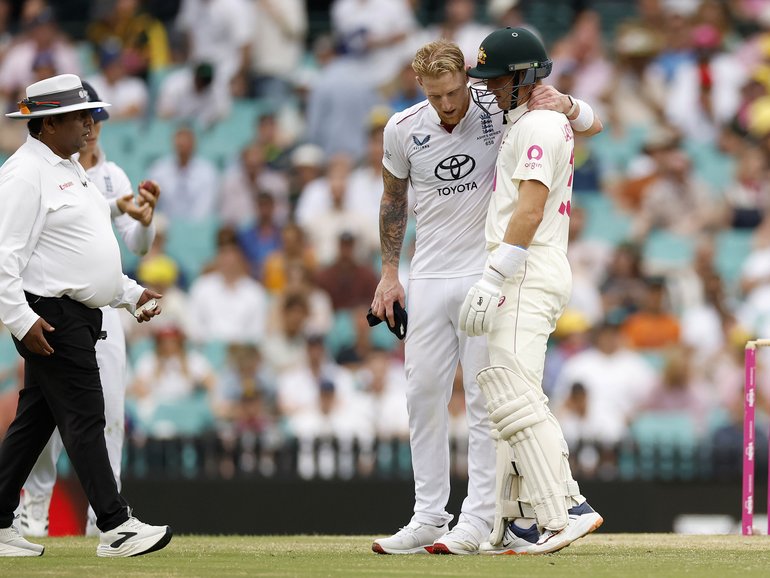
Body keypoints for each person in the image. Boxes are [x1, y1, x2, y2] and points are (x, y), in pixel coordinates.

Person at [370, 38, 602, 555]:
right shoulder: (403, 128)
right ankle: (429, 515)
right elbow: (392, 201)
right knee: (421, 394)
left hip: (488, 270)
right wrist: (390, 274)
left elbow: (588, 125)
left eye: (454, 92)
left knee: (485, 400)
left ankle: (477, 520)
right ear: (421, 88)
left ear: (466, 82)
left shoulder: (501, 108)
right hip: (428, 274)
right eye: (435, 96)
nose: (448, 105)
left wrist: (566, 101)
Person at [0, 73, 169, 557]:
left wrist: (130, 293)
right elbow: (4, 256)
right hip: (49, 314)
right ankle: (115, 526)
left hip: (75, 310)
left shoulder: (70, 168)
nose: (90, 122)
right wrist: (21, 319)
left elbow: (87, 253)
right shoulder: (23, 173)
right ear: (50, 124)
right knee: (85, 417)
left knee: (35, 422)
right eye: (80, 115)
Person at [457, 27, 604, 555]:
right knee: (506, 396)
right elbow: (595, 121)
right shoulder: (542, 116)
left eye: (498, 80)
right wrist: (569, 103)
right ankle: (516, 520)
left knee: (515, 393)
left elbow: (530, 208)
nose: (489, 90)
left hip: (525, 266)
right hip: (529, 265)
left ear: (523, 76)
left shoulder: (539, 123)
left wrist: (495, 276)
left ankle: (565, 508)